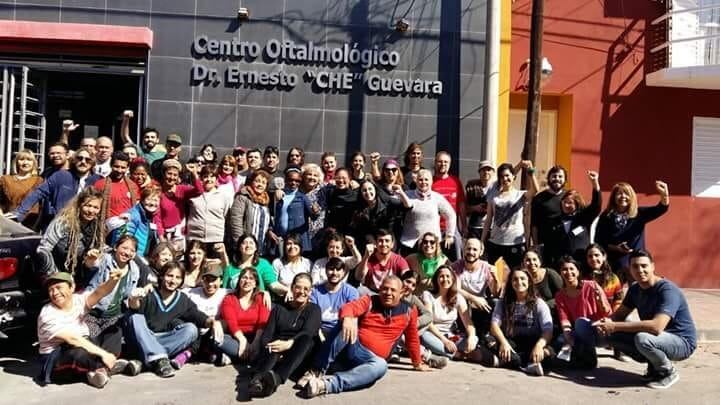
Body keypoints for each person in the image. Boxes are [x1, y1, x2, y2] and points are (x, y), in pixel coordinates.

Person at [302, 276, 430, 398]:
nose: (388, 293)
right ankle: (316, 370)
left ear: (401, 292)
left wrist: (417, 363)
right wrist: (348, 317)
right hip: (353, 348)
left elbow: (412, 338)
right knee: (345, 322)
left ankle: (325, 385)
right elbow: (350, 307)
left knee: (381, 366)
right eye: (385, 289)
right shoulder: (370, 301)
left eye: (393, 290)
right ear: (380, 289)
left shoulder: (409, 311)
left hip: (371, 361)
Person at [596, 250, 696, 389]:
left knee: (643, 338)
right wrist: (604, 323)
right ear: (630, 269)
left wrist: (614, 326)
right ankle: (654, 368)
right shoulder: (635, 289)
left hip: (682, 342)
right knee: (612, 335)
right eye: (635, 266)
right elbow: (619, 316)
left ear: (653, 266)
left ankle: (668, 372)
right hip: (657, 338)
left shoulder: (667, 290)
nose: (640, 270)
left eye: (644, 266)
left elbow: (656, 327)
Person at [125, 261, 224, 378]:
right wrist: (134, 298)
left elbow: (198, 316)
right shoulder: (150, 292)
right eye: (170, 276)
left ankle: (149, 359)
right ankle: (158, 359)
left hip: (166, 339)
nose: (173, 281)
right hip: (143, 338)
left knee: (191, 329)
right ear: (162, 276)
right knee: (135, 317)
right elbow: (135, 306)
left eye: (178, 277)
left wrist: (213, 322)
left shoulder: (182, 299)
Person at [36, 270, 132, 388]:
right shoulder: (47, 314)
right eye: (51, 290)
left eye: (59, 288)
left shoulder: (78, 299)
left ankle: (100, 370)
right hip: (56, 358)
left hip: (83, 342)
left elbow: (99, 292)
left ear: (72, 287)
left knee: (113, 331)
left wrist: (113, 280)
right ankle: (107, 367)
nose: (55, 293)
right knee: (78, 352)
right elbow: (72, 339)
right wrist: (104, 354)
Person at [248, 273, 321, 398]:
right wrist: (272, 347)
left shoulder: (314, 309)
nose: (301, 292)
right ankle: (258, 381)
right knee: (273, 345)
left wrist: (288, 344)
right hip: (277, 351)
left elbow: (308, 332)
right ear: (292, 288)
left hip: (299, 352)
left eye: (306, 289)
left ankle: (277, 378)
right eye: (298, 287)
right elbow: (267, 335)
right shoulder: (279, 308)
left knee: (306, 340)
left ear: (310, 291)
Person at [486, 268, 555, 376]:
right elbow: (494, 325)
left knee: (549, 353)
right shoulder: (503, 302)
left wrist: (539, 346)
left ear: (529, 282)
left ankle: (510, 361)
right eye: (515, 279)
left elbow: (548, 330)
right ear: (510, 283)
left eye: (523, 278)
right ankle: (528, 364)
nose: (519, 282)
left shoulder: (539, 303)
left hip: (532, 342)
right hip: (511, 342)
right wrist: (504, 343)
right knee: (491, 342)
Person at [15, 147, 101, 230]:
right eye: (79, 158)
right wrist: (19, 213)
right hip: (60, 224)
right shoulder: (60, 175)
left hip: (85, 226)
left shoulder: (97, 180)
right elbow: (38, 192)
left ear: (93, 162)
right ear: (74, 160)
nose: (83, 162)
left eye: (88, 159)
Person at [595, 181, 670, 276]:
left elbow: (661, 208)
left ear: (631, 197)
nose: (623, 196)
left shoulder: (639, 214)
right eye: (619, 194)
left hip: (637, 262)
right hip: (614, 263)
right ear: (613, 197)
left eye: (626, 193)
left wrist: (664, 194)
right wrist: (616, 248)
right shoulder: (606, 216)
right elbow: (599, 240)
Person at [36, 188, 106, 288]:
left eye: (96, 207)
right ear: (79, 205)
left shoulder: (96, 226)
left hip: (79, 278)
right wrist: (56, 276)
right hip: (55, 276)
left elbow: (101, 247)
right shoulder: (63, 223)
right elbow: (43, 249)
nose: (91, 211)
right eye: (88, 205)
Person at [554, 256, 611, 368]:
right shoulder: (560, 295)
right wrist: (568, 338)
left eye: (571, 269)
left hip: (600, 331)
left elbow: (608, 313)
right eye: (564, 269)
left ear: (578, 271)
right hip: (581, 332)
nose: (568, 272)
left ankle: (590, 357)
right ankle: (580, 356)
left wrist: (600, 302)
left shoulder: (591, 285)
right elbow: (564, 319)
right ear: (560, 273)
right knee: (561, 339)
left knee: (580, 322)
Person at [421, 265, 484, 363]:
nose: (445, 279)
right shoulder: (428, 295)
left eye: (448, 276)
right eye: (441, 276)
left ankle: (444, 352)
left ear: (453, 279)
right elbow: (428, 323)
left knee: (474, 338)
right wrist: (444, 341)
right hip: (433, 334)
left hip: (450, 336)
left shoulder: (458, 297)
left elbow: (468, 323)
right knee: (425, 337)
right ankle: (458, 355)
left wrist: (471, 337)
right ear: (436, 279)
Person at [481, 161, 537, 269]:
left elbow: (535, 190)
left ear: (513, 176)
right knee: (487, 270)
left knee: (517, 271)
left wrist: (530, 171)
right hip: (495, 240)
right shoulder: (494, 196)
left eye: (507, 175)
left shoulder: (520, 195)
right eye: (502, 176)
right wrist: (482, 241)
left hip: (515, 242)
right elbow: (488, 220)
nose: (505, 179)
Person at [543, 171, 601, 266]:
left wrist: (595, 183)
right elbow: (548, 244)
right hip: (560, 265)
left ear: (577, 204)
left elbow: (596, 205)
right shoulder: (553, 221)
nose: (566, 205)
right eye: (564, 202)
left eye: (570, 203)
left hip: (580, 263)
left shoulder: (583, 218)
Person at [396, 169, 457, 256]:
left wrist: (449, 235)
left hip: (431, 244)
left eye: (426, 179)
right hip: (410, 242)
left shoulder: (437, 197)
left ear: (431, 181)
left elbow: (451, 215)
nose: (423, 182)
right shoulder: (407, 195)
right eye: (420, 179)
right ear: (416, 181)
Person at [216, 267, 270, 365]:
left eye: (251, 278)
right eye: (244, 277)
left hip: (256, 337)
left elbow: (263, 323)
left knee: (265, 347)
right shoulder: (229, 299)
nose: (247, 281)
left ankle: (234, 357)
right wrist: (242, 340)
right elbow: (232, 324)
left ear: (255, 284)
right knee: (218, 339)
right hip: (235, 338)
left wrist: (256, 342)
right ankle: (248, 357)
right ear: (239, 281)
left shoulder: (261, 298)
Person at [452, 238, 500, 335]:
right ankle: (463, 332)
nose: (471, 252)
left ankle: (488, 333)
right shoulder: (457, 266)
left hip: (480, 303)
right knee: (459, 299)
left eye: (475, 249)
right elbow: (456, 289)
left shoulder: (486, 267)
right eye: (468, 249)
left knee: (496, 302)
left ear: (480, 252)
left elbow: (495, 293)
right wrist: (474, 298)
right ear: (463, 250)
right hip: (464, 302)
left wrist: (496, 278)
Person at [185, 263, 229, 364]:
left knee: (222, 323)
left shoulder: (226, 293)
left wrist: (263, 293)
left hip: (212, 334)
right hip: (196, 333)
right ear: (202, 280)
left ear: (221, 281)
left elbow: (247, 292)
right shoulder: (191, 292)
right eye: (207, 280)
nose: (210, 284)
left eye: (214, 280)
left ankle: (208, 352)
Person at [158, 158, 202, 252]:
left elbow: (199, 191)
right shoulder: (158, 191)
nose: (172, 177)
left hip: (178, 234)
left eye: (175, 175)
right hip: (163, 234)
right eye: (169, 174)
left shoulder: (181, 189)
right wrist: (161, 236)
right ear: (163, 174)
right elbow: (157, 217)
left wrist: (194, 173)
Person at [270, 166, 317, 255]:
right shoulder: (279, 195)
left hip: (297, 241)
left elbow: (313, 217)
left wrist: (315, 211)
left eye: (297, 181)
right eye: (291, 180)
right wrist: (270, 230)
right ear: (286, 180)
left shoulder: (302, 197)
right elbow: (271, 214)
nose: (293, 183)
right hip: (281, 240)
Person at [108, 186, 163, 259]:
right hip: (132, 257)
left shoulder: (151, 216)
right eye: (149, 199)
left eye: (156, 200)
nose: (152, 203)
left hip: (146, 257)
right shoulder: (133, 215)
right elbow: (122, 239)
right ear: (142, 200)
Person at [222, 234, 285, 298]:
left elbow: (274, 285)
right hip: (234, 302)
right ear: (239, 247)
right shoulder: (230, 268)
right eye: (244, 243)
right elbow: (224, 291)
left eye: (251, 243)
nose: (248, 246)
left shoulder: (263, 264)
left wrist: (287, 290)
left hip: (257, 301)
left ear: (256, 248)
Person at [186, 164, 234, 246]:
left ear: (216, 179)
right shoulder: (193, 194)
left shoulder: (224, 197)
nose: (209, 179)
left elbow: (226, 216)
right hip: (195, 239)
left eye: (212, 177)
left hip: (216, 239)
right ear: (201, 178)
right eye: (205, 176)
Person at [350, 180, 407, 247]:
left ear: (375, 190)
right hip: (370, 243)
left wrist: (401, 193)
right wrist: (369, 237)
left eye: (370, 189)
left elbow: (407, 206)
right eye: (364, 190)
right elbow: (361, 229)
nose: (368, 192)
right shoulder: (359, 209)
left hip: (388, 241)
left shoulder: (387, 202)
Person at [227, 169, 272, 254]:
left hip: (260, 247)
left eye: (263, 182)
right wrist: (240, 242)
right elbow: (235, 221)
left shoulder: (265, 202)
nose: (260, 184)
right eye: (257, 181)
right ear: (251, 182)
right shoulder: (242, 197)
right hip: (245, 247)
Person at [432, 151, 466, 261]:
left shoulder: (455, 182)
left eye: (446, 162)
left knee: (457, 258)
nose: (443, 164)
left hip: (452, 227)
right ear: (435, 163)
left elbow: (461, 204)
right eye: (440, 161)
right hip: (434, 227)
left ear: (450, 164)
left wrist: (464, 226)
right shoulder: (429, 182)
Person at [355, 228, 410, 293]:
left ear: (392, 244)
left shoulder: (399, 260)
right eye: (380, 241)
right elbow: (358, 277)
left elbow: (407, 278)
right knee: (360, 290)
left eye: (387, 241)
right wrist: (366, 257)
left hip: (390, 294)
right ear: (375, 243)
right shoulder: (369, 258)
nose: (384, 244)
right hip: (371, 293)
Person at [0, 149, 43, 227]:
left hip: (30, 223)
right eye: (22, 159)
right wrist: (2, 217)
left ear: (34, 163)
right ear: (16, 162)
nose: (25, 163)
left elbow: (42, 206)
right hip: (9, 221)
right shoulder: (6, 179)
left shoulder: (39, 181)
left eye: (29, 160)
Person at [93, 151, 140, 220]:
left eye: (123, 167)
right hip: (107, 224)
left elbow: (137, 208)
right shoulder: (100, 185)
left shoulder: (133, 186)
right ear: (111, 165)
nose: (119, 170)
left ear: (127, 168)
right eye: (116, 166)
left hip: (129, 224)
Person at [523, 249, 563, 318]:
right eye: (528, 260)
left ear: (540, 262)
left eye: (534, 259)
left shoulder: (550, 274)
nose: (532, 262)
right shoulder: (523, 278)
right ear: (523, 263)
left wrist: (543, 306)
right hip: (532, 316)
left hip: (554, 313)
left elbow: (563, 296)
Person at [272, 234, 313, 298]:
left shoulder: (308, 263)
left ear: (300, 247)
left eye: (295, 244)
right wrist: (287, 290)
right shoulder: (277, 263)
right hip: (283, 298)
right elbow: (273, 284)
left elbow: (312, 285)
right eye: (289, 244)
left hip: (303, 298)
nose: (292, 246)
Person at [586, 244, 624, 313]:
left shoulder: (613, 278)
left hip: (609, 315)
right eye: (590, 256)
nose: (593, 258)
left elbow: (618, 300)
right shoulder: (583, 279)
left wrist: (613, 315)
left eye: (596, 255)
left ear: (604, 257)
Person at [464, 160, 497, 239]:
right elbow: (464, 208)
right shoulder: (472, 187)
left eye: (488, 170)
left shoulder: (497, 187)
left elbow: (511, 175)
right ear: (479, 172)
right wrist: (475, 208)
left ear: (493, 172)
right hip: (475, 226)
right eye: (483, 170)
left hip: (492, 227)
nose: (486, 172)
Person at [300, 163, 328, 256]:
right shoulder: (297, 190)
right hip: (301, 235)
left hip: (318, 236)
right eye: (309, 174)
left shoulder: (324, 190)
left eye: (315, 175)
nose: (312, 177)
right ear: (303, 176)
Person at [324, 168, 359, 237]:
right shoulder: (330, 193)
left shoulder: (356, 195)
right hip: (333, 234)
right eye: (338, 178)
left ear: (350, 179)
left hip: (350, 234)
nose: (341, 180)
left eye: (344, 178)